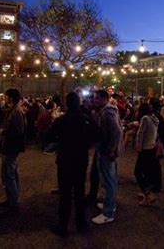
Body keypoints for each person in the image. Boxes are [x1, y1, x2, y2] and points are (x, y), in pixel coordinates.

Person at [48, 92, 96, 237]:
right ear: (79, 102)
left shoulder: (61, 120)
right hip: (80, 160)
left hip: (65, 160)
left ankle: (63, 226)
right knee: (79, 191)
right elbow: (97, 135)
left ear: (67, 103)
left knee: (65, 193)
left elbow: (49, 136)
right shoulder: (86, 119)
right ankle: (81, 223)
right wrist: (86, 144)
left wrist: (59, 141)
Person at [92, 90, 123, 225]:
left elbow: (116, 131)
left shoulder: (107, 112)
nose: (95, 101)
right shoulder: (109, 110)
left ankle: (108, 213)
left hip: (107, 151)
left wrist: (111, 149)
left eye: (97, 99)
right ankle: (110, 204)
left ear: (105, 99)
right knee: (109, 179)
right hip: (106, 149)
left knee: (109, 181)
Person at [0, 88, 26, 211]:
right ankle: (12, 199)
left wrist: (4, 131)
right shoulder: (13, 110)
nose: (4, 98)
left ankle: (13, 203)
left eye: (6, 96)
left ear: (11, 98)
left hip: (11, 147)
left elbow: (19, 131)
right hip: (9, 147)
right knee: (9, 174)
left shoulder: (17, 112)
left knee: (9, 174)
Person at [134, 103, 160, 206]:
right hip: (151, 148)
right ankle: (146, 191)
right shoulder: (154, 118)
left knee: (137, 172)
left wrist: (138, 146)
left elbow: (141, 133)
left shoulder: (144, 118)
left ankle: (148, 195)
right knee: (146, 172)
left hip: (144, 149)